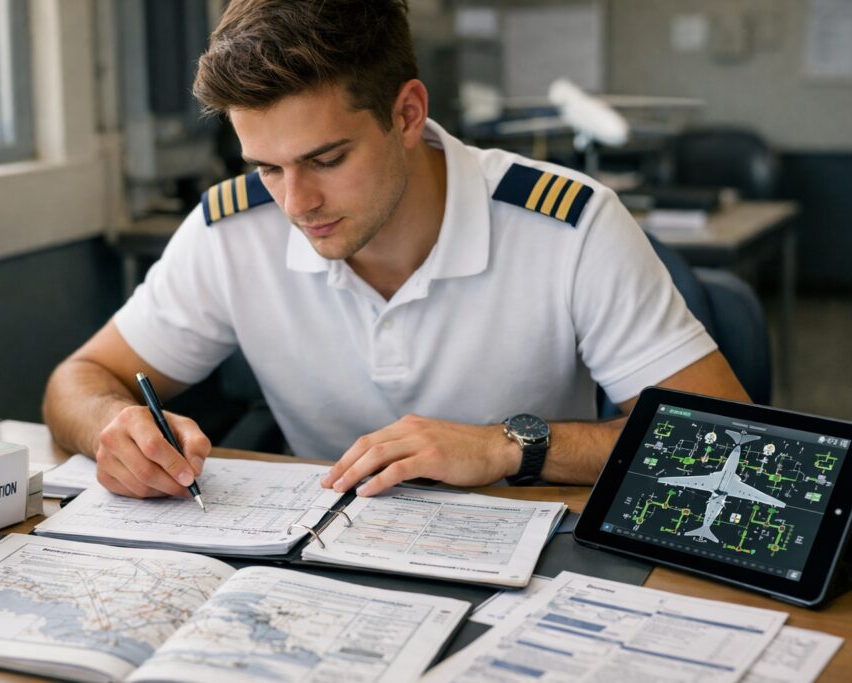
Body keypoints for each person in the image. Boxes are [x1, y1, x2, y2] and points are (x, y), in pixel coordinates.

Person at [43, 0, 748, 501]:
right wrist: (116, 427)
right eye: (266, 167)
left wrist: (506, 446)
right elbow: (79, 379)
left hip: (527, 554)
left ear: (407, 114)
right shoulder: (231, 230)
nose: (295, 204)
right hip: (322, 561)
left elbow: (721, 441)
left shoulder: (569, 224)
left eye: (326, 159)